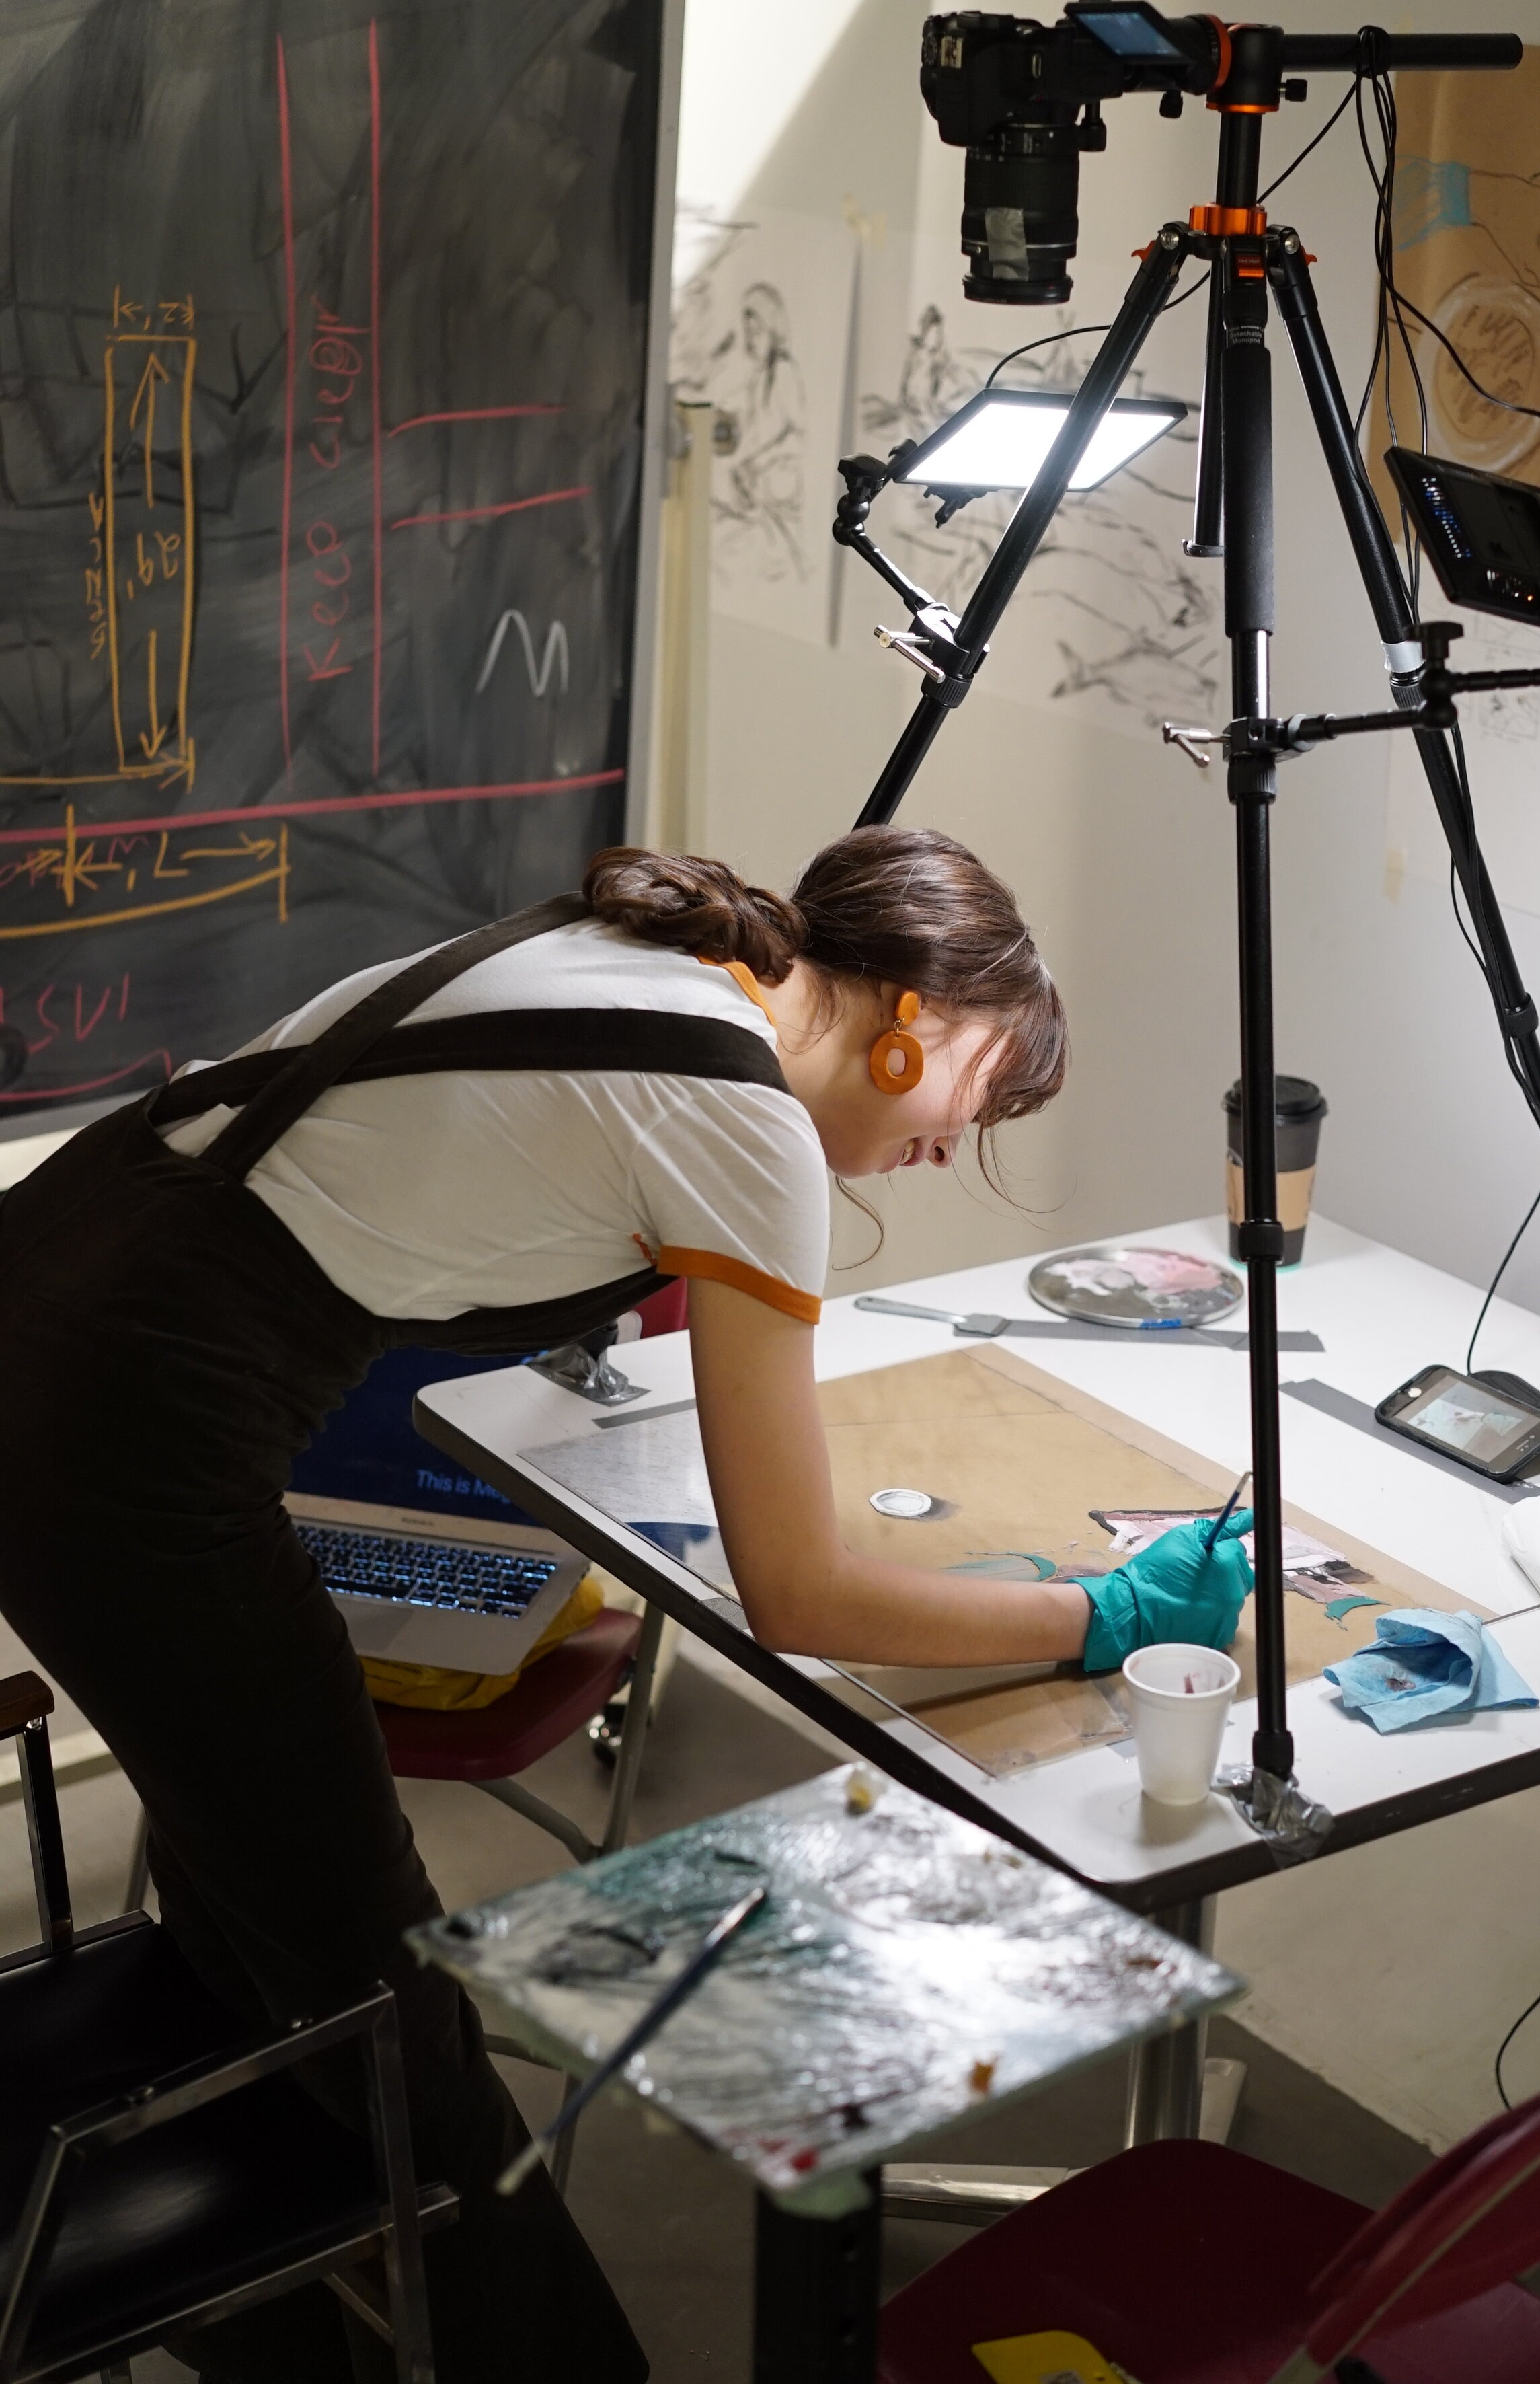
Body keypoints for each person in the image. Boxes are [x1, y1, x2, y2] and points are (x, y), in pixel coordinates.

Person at [0, 826, 1249, 2381]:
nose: (960, 1140)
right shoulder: (745, 1124)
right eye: (984, 1089)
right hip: (122, 1433)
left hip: (51, 1287)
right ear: (914, 1015)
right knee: (380, 1980)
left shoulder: (662, 965)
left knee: (251, 1892)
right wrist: (1098, 1616)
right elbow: (792, 1590)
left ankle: (281, 2324)